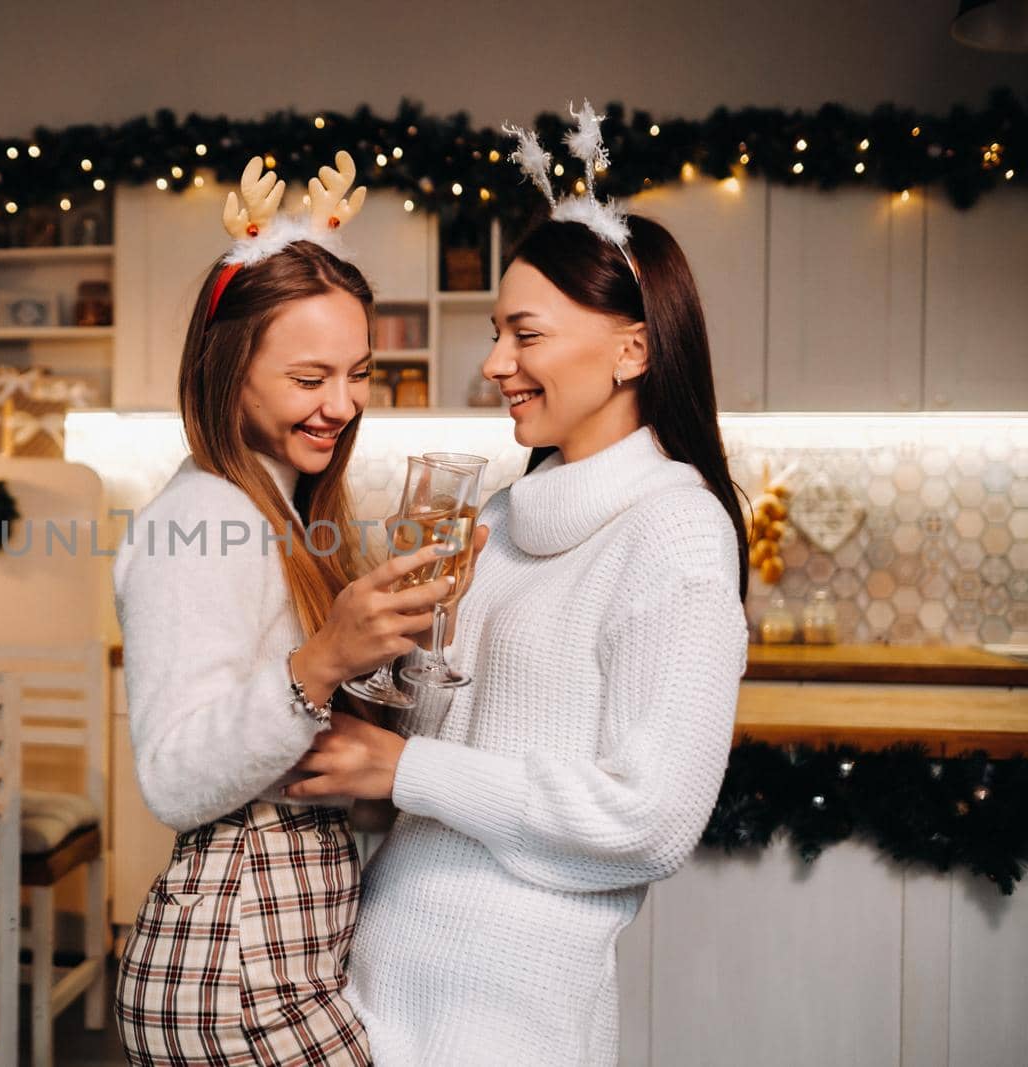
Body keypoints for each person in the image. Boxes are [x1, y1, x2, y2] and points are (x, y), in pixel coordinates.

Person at [285, 108, 752, 1065]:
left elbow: (651, 818)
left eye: (524, 334)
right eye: (498, 332)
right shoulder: (496, 516)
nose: (495, 364)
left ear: (632, 350)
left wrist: (402, 767)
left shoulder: (676, 530)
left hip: (513, 1013)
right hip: (384, 975)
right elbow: (455, 737)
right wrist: (383, 673)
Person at [112, 152, 457, 1065]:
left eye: (358, 374)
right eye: (310, 379)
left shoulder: (289, 512)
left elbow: (334, 756)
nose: (341, 405)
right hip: (234, 974)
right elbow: (173, 778)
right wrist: (323, 662)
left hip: (272, 952)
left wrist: (399, 649)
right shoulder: (201, 517)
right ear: (231, 371)